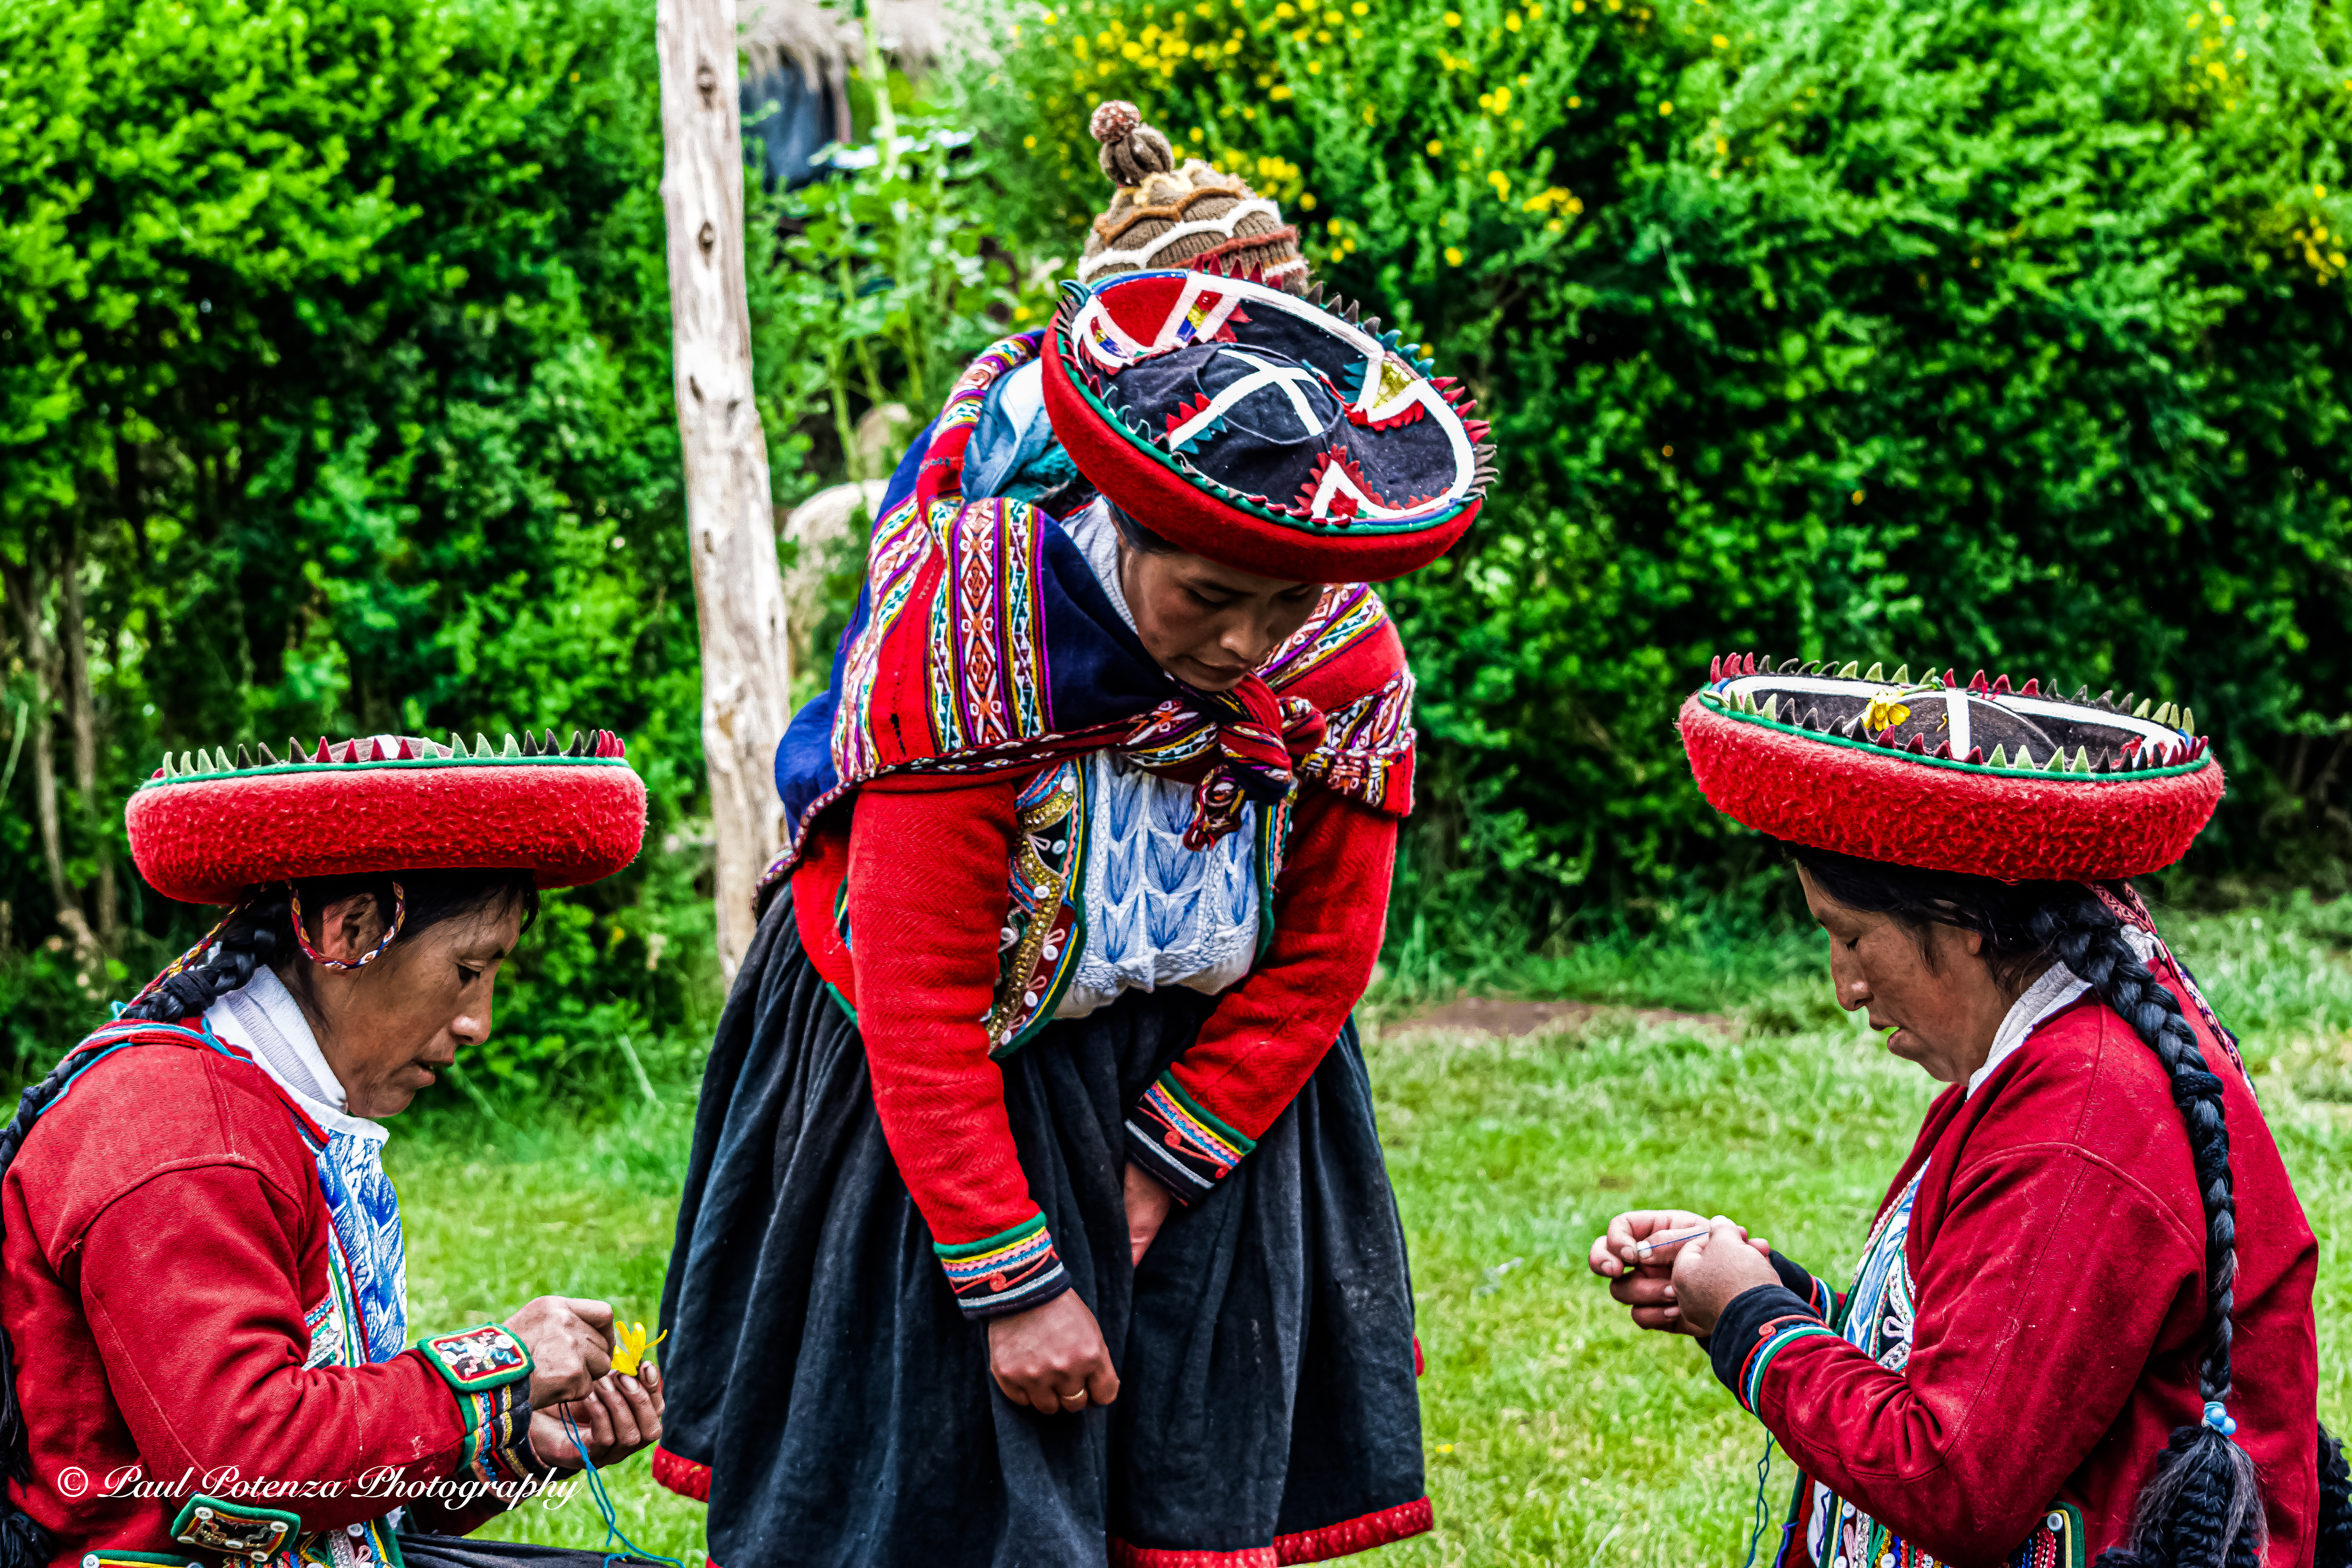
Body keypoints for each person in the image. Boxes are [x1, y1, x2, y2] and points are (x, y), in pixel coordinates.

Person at [651, 103, 1495, 1568]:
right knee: (929, 1495)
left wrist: (1161, 1173)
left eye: (1281, 607)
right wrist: (1012, 1274)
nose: (1244, 644)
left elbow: (1320, 963)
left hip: (1206, 1078)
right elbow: (917, 999)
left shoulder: (1345, 659)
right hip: (942, 1079)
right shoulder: (980, 622)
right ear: (1123, 513)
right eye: (1205, 600)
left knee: (1167, 1483)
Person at [1588, 657, 2352, 1568]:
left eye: (1851, 934)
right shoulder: (2060, 1061)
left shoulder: (2083, 1120)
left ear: (1961, 920)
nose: (1845, 985)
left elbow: (1949, 1478)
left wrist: (1753, 1321)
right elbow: (1995, 1359)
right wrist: (1769, 1293)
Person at [0, 726, 665, 1568]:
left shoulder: (266, 1113)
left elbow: (332, 1512)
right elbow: (243, 1471)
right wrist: (500, 1369)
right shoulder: (183, 1133)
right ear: (351, 930)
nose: (479, 1023)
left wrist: (516, 1443)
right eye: (469, 969)